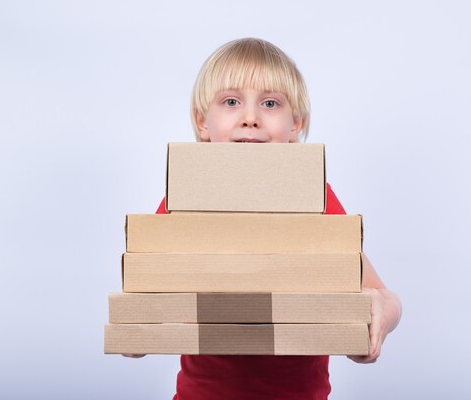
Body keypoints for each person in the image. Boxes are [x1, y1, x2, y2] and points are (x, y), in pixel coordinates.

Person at [127, 38, 402, 400]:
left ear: (296, 124)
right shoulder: (187, 197)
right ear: (202, 121)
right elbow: (144, 295)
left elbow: (383, 295)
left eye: (270, 103)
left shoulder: (314, 197)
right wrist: (136, 327)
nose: (251, 117)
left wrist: (377, 314)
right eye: (231, 102)